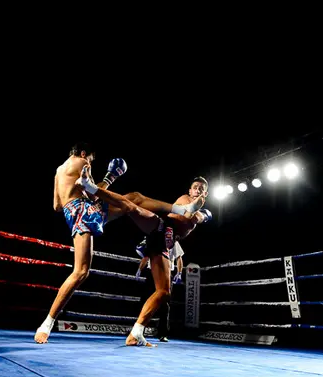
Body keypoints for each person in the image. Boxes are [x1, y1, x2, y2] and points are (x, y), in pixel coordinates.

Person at [35, 142, 206, 343]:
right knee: (130, 204)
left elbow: (56, 205)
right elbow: (91, 194)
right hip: (85, 211)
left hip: (73, 213)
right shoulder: (82, 161)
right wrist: (109, 178)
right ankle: (46, 324)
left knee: (132, 200)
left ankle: (46, 325)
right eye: (91, 158)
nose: (90, 162)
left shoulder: (58, 171)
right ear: (84, 153)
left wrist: (84, 193)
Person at [126, 177, 212, 347]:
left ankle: (135, 333)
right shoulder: (184, 199)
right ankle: (98, 198)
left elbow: (195, 218)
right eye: (195, 187)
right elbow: (188, 214)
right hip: (161, 228)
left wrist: (200, 213)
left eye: (202, 189)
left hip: (165, 243)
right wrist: (196, 208)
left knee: (164, 292)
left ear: (206, 194)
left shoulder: (199, 212)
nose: (198, 190)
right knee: (134, 202)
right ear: (190, 191)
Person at [136, 250, 184, 342]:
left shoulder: (173, 241)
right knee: (146, 302)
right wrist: (140, 269)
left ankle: (162, 333)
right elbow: (146, 256)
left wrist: (180, 272)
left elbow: (179, 257)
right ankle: (138, 331)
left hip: (167, 273)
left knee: (164, 304)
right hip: (152, 273)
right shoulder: (154, 240)